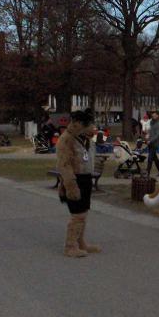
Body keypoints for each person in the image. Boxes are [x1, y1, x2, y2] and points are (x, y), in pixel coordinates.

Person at [56, 110, 101, 257]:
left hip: (85, 178)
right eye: (89, 125)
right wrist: (71, 185)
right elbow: (64, 164)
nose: (92, 128)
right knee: (77, 215)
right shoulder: (66, 139)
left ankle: (81, 242)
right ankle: (70, 246)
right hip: (75, 180)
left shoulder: (83, 138)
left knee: (83, 213)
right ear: (79, 124)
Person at [146, 111, 159, 177]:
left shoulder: (158, 124)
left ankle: (147, 173)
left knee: (150, 158)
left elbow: (157, 135)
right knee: (155, 158)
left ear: (157, 116)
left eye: (154, 116)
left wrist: (150, 140)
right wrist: (147, 135)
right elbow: (150, 131)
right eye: (152, 116)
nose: (153, 117)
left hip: (154, 144)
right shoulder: (151, 122)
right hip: (150, 143)